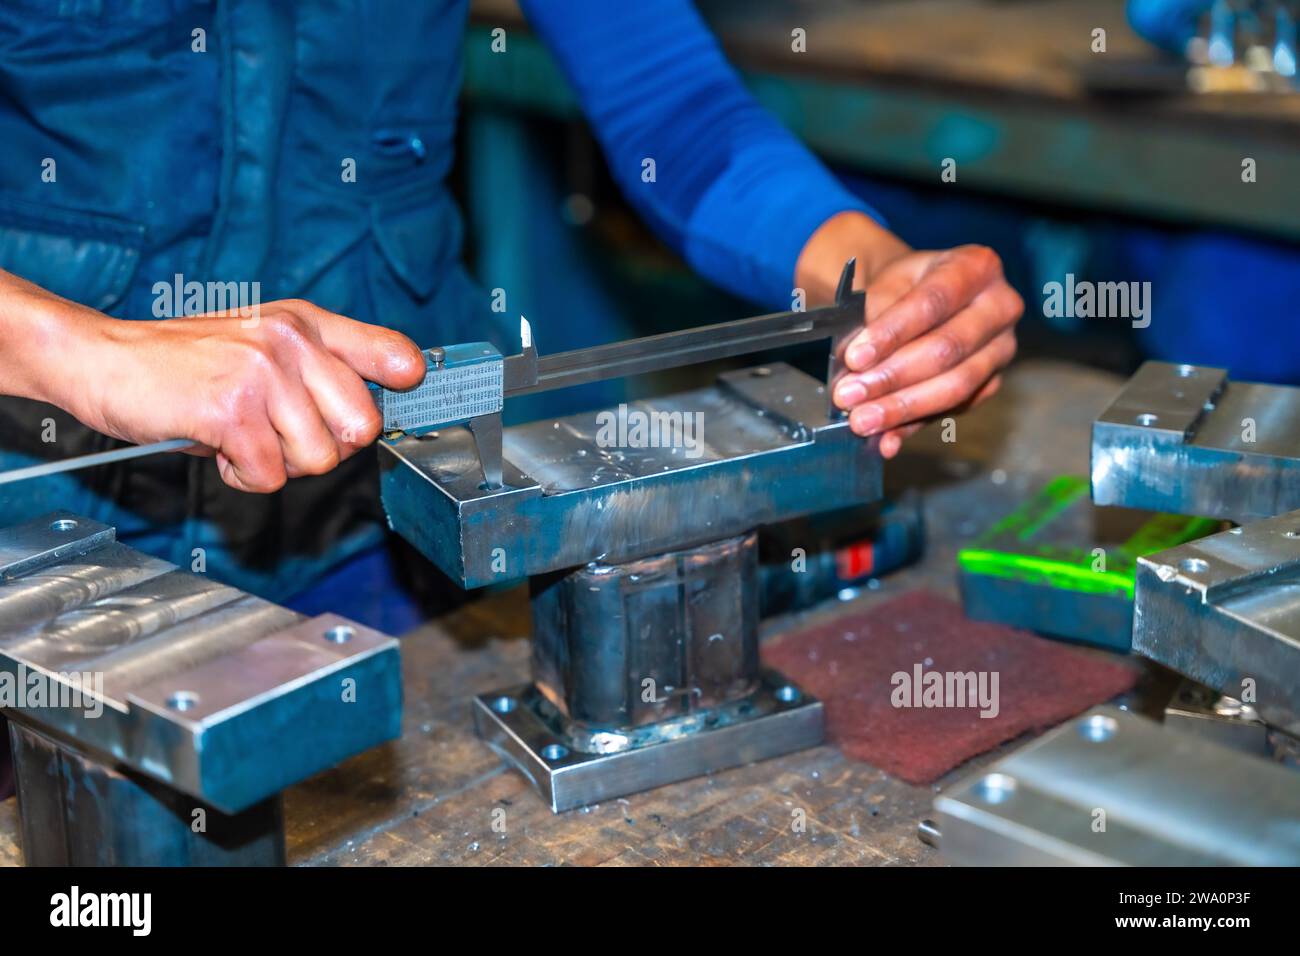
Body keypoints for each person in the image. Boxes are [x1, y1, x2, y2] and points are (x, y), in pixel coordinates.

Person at [0, 1, 1021, 603]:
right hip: (40, 530)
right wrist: (83, 353)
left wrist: (875, 275)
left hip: (385, 509)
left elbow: (675, 107)